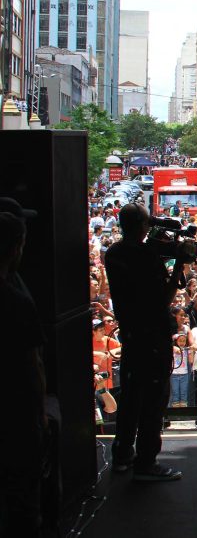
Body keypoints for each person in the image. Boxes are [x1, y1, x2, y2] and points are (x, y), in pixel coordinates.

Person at [104, 203, 185, 481]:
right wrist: (178, 268)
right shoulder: (146, 255)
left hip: (130, 334)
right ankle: (146, 463)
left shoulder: (113, 253)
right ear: (142, 226)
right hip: (152, 336)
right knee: (153, 399)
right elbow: (163, 298)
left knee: (130, 397)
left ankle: (122, 455)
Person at [0, 209, 47, 537]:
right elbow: (33, 364)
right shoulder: (16, 300)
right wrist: (40, 415)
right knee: (22, 498)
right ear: (17, 246)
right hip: (15, 410)